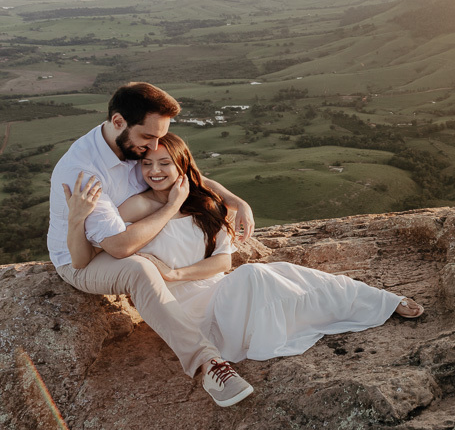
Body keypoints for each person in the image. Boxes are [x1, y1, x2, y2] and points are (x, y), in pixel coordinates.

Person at [64, 133, 423, 378]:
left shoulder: (205, 204)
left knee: (277, 273)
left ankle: (380, 301)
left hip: (217, 289)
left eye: (164, 164)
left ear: (182, 167)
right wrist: (77, 220)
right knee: (257, 276)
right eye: (146, 164)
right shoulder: (135, 206)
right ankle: (362, 303)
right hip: (181, 310)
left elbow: (222, 262)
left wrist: (175, 271)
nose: (154, 171)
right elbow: (97, 250)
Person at [49, 82, 257, 407]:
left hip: (116, 238)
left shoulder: (134, 144)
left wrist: (236, 201)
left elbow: (188, 178)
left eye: (160, 136)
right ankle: (209, 366)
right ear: (119, 122)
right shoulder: (85, 171)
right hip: (82, 257)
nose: (154, 146)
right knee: (139, 270)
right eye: (148, 137)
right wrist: (172, 207)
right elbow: (117, 248)